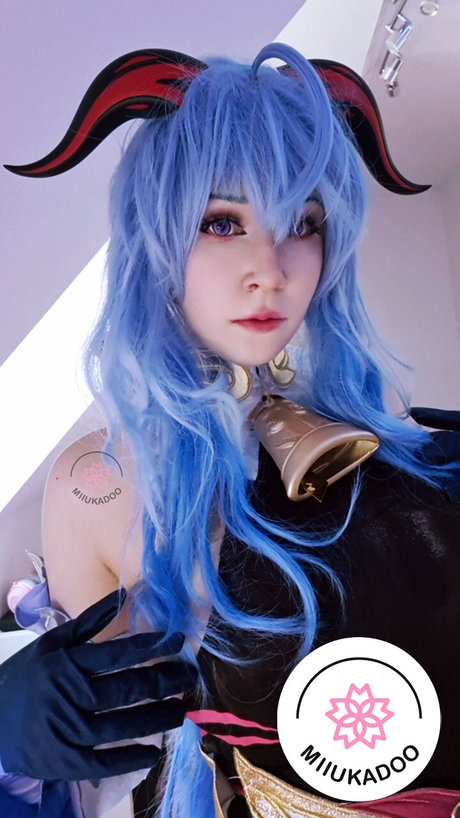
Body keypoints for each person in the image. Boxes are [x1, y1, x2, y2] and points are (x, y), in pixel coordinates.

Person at [2, 43, 460, 818]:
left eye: (302, 223)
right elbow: (120, 743)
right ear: (158, 239)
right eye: (223, 221)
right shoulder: (99, 482)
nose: (270, 269)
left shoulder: (381, 441)